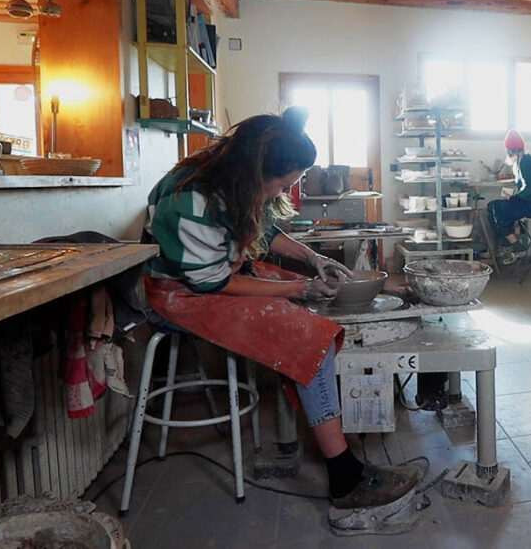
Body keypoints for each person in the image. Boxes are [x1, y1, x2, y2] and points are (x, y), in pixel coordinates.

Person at [141, 107, 418, 512]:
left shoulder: (233, 177)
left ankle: (325, 431)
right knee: (308, 336)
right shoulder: (190, 200)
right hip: (179, 294)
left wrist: (310, 258)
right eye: (281, 185)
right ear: (257, 172)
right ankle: (345, 479)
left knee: (304, 316)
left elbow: (263, 231)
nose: (282, 194)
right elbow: (211, 282)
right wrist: (299, 288)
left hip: (219, 273)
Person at [487, 129, 531, 265]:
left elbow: (529, 187)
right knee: (500, 212)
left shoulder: (524, 161)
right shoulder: (530, 159)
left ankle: (512, 245)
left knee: (493, 208)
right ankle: (511, 245)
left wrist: (515, 198)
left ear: (510, 150)